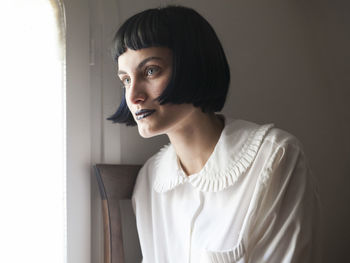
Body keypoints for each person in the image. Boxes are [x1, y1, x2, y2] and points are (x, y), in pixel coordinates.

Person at [108, 5, 321, 263]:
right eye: (126, 80)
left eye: (150, 71)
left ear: (193, 66)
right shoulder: (149, 181)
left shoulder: (276, 157)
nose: (133, 97)